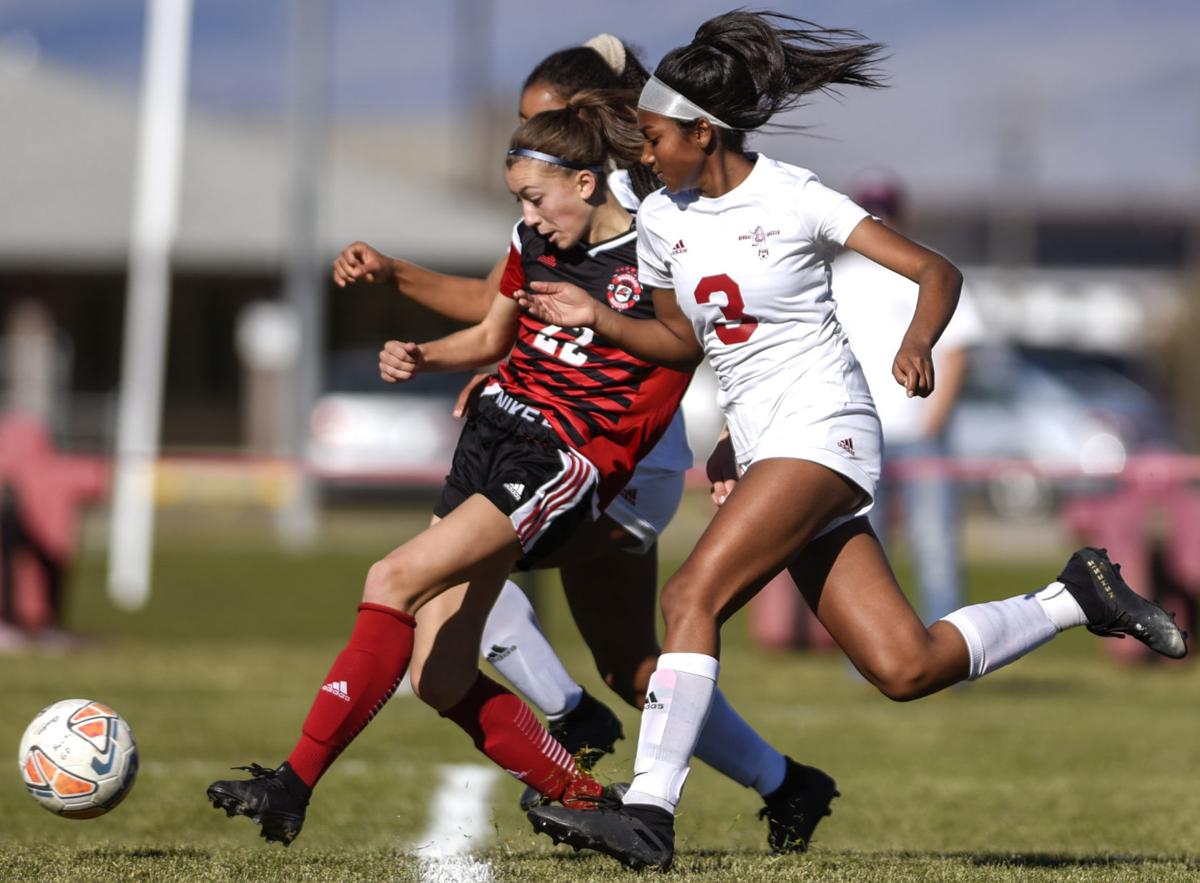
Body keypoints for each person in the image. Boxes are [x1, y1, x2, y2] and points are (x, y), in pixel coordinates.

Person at [519, 11, 1188, 871]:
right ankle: (1077, 596)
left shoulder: (795, 195)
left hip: (826, 430)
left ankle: (648, 812)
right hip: (768, 446)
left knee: (690, 597)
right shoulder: (661, 221)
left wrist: (916, 343)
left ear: (702, 129)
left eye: (653, 137)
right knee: (903, 665)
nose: (644, 155)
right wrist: (604, 322)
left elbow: (935, 271)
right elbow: (684, 344)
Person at [331, 37, 839, 852]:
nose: (531, 139)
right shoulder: (552, 205)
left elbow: (690, 327)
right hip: (591, 453)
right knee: (633, 664)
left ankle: (567, 716)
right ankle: (788, 783)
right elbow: (511, 304)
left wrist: (738, 433)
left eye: (547, 122)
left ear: (588, 128)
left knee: (454, 564)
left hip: (630, 462)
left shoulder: (652, 207)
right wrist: (446, 318)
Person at [834, 172, 983, 623]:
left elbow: (958, 349)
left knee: (935, 547)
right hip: (861, 433)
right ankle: (872, 657)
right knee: (863, 552)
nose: (883, 222)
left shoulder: (928, 270)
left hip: (920, 434)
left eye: (887, 214)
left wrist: (933, 421)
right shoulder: (837, 277)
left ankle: (951, 651)